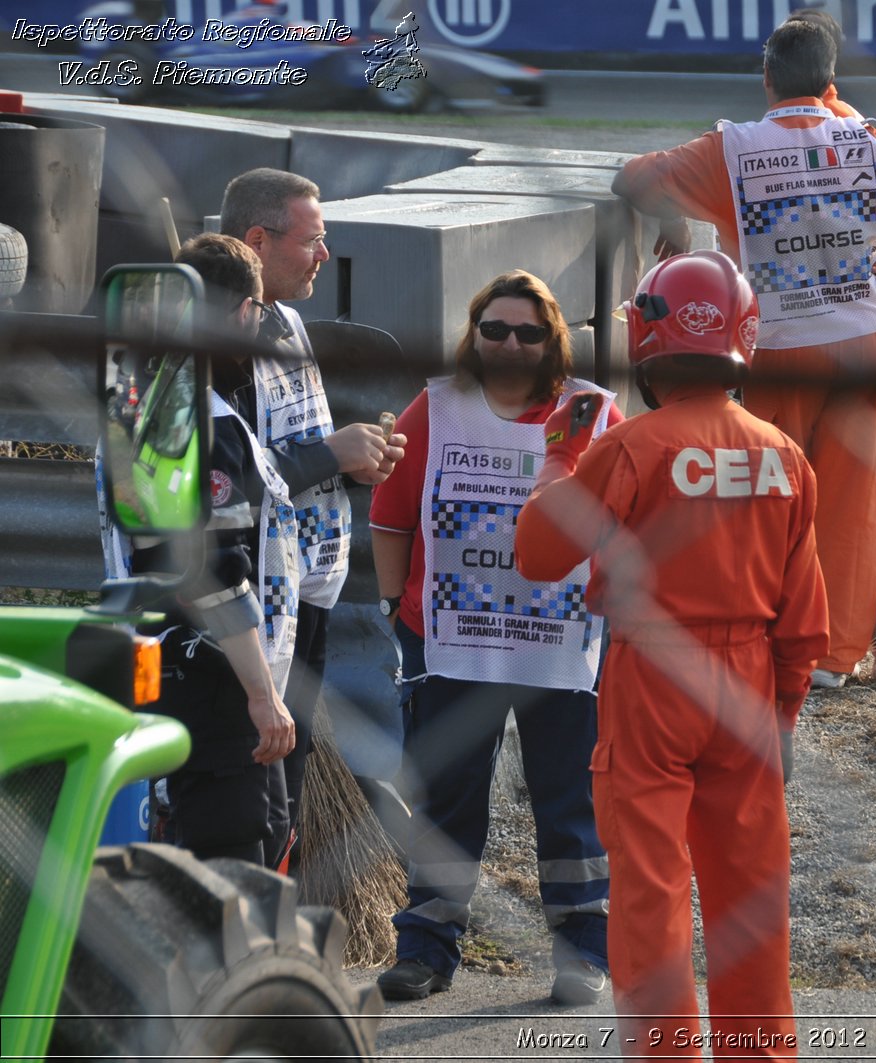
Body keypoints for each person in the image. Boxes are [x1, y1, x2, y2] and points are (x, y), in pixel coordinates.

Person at [514, 251, 827, 1060]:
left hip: (652, 671)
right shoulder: (783, 453)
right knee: (749, 890)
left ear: (647, 340)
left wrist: (558, 457)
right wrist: (781, 715)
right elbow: (804, 616)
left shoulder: (633, 448)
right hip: (750, 681)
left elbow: (540, 553)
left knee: (651, 888)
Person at [611, 19, 876, 689]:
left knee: (771, 500)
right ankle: (835, 655)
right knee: (848, 501)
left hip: (774, 344)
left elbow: (632, 178)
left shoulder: (733, 149)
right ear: (833, 83)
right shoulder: (868, 143)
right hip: (859, 343)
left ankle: (769, 633)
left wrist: (673, 220)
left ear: (766, 80)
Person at [368, 270, 618, 1004]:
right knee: (446, 796)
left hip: (560, 643)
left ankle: (580, 953)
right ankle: (426, 947)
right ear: (473, 332)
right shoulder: (438, 407)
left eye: (528, 332)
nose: (510, 342)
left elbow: (622, 515)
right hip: (451, 641)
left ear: (552, 341)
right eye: (494, 328)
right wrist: (393, 609)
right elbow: (390, 514)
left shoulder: (585, 410)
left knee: (570, 801)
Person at [219, 167, 404, 869]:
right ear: (258, 241)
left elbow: (291, 451)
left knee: (286, 800)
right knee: (251, 801)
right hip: (247, 609)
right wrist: (331, 453)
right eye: (313, 241)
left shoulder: (288, 323)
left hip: (306, 593)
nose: (325, 256)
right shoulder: (214, 350)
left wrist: (358, 459)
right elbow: (223, 484)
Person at [104, 233, 297, 864]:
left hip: (169, 659)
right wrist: (263, 695)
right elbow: (212, 574)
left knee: (246, 832)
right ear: (243, 312)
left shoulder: (140, 403)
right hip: (214, 680)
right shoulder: (198, 424)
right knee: (236, 854)